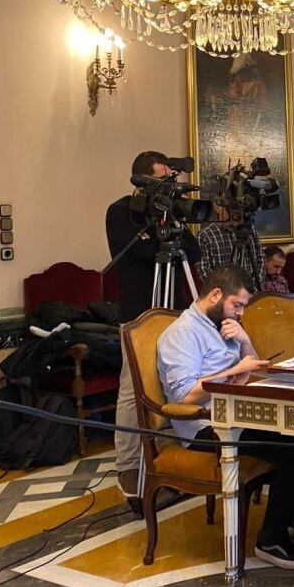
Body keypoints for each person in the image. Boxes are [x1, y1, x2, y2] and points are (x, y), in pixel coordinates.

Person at [157, 264, 294, 569]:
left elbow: (253, 366)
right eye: (237, 305)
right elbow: (183, 396)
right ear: (215, 295)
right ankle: (271, 539)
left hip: (236, 415)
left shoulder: (221, 324)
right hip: (205, 426)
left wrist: (243, 341)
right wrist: (235, 370)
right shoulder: (182, 334)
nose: (240, 313)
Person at [106, 151, 201, 505]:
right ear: (142, 180)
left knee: (175, 384)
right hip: (139, 313)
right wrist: (159, 226)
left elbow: (190, 251)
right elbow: (147, 254)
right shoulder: (121, 212)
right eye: (162, 180)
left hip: (175, 310)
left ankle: (172, 460)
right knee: (134, 390)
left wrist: (168, 218)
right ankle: (129, 468)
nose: (168, 188)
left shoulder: (170, 214)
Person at [196, 202, 263, 290]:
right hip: (223, 296)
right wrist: (225, 292)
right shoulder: (205, 235)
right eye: (230, 208)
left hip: (252, 293)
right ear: (217, 208)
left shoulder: (250, 230)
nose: (235, 213)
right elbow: (204, 270)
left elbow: (261, 258)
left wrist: (253, 287)